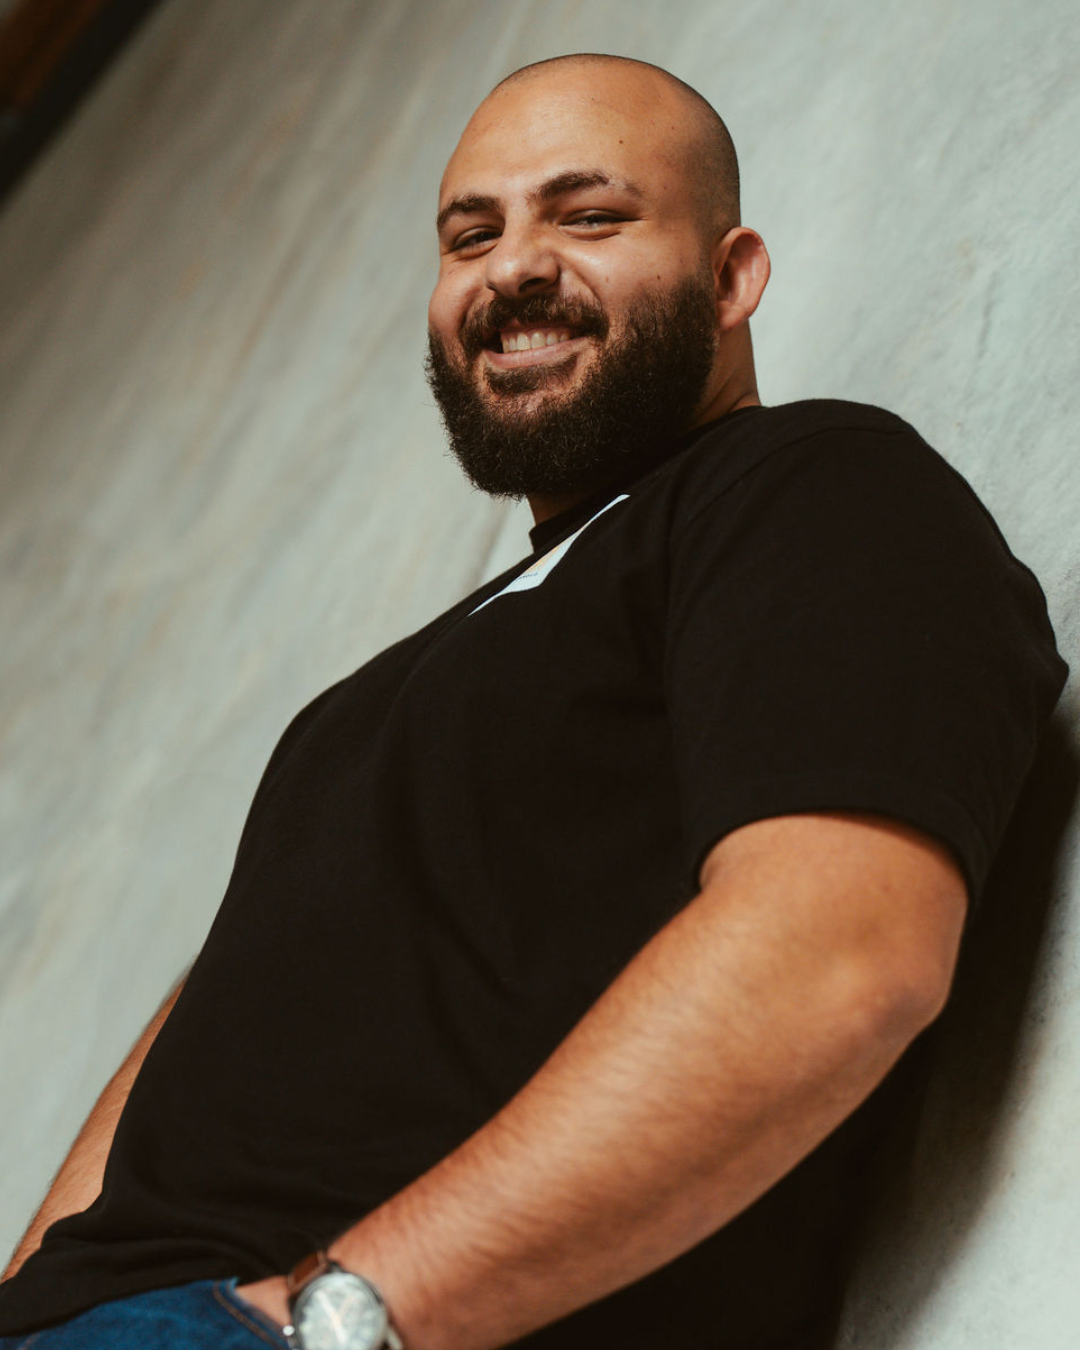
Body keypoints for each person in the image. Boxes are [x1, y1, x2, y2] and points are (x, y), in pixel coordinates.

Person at [0, 52, 1067, 1350]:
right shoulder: (387, 691)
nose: (512, 267)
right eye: (472, 233)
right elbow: (214, 1003)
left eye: (589, 215)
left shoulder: (813, 489)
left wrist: (343, 1316)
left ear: (732, 275)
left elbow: (842, 956)